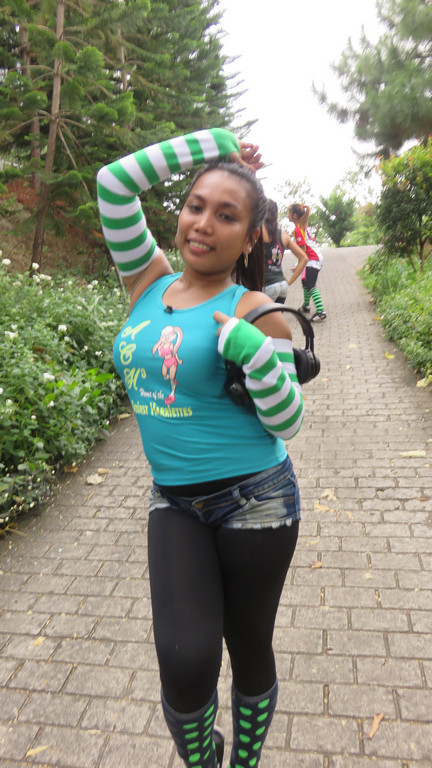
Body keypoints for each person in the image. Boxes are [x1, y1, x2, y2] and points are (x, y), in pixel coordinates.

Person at [97, 127, 304, 768]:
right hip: (175, 503)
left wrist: (253, 353)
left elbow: (288, 419)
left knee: (248, 645)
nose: (204, 224)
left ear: (251, 237)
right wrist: (218, 144)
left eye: (227, 215)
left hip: (256, 503)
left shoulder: (256, 309)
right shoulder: (147, 282)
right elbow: (114, 183)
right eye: (195, 206)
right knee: (185, 661)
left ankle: (244, 761)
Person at [262, 198, 308, 304]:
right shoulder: (284, 235)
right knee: (276, 315)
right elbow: (304, 258)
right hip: (282, 285)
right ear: (276, 215)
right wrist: (289, 282)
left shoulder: (257, 233)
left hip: (266, 285)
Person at [288, 203, 326, 321]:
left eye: (289, 213)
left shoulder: (298, 230)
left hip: (312, 259)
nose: (287, 215)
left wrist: (299, 265)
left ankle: (320, 311)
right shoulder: (303, 225)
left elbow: (303, 251)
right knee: (305, 282)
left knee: (310, 285)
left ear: (294, 215)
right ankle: (306, 305)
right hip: (313, 258)